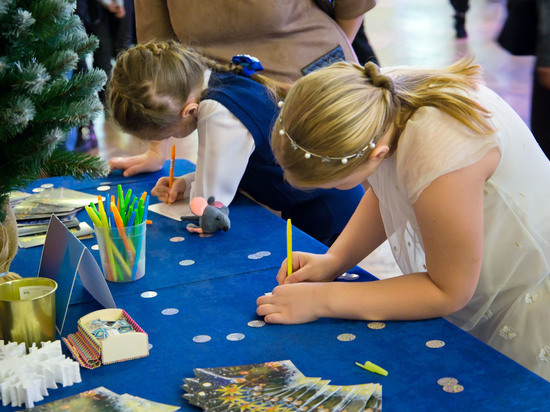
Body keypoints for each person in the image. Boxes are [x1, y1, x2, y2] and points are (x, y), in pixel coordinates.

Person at [256, 59, 550, 381]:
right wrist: (334, 260)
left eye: (334, 184)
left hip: (526, 289)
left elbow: (448, 291)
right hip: (475, 263)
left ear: (376, 155)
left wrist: (321, 300)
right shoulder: (375, 100)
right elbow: (390, 189)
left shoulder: (440, 152)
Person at [108, 41, 364, 245]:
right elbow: (232, 166)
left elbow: (210, 204)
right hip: (321, 201)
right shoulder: (215, 79)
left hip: (325, 212)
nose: (169, 139)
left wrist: (197, 197)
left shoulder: (218, 112)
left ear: (188, 111)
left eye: (167, 134)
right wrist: (185, 183)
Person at [109, 0, 376, 177]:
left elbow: (353, 5)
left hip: (315, 87)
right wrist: (158, 149)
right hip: (235, 99)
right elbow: (158, 54)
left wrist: (330, 67)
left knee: (332, 205)